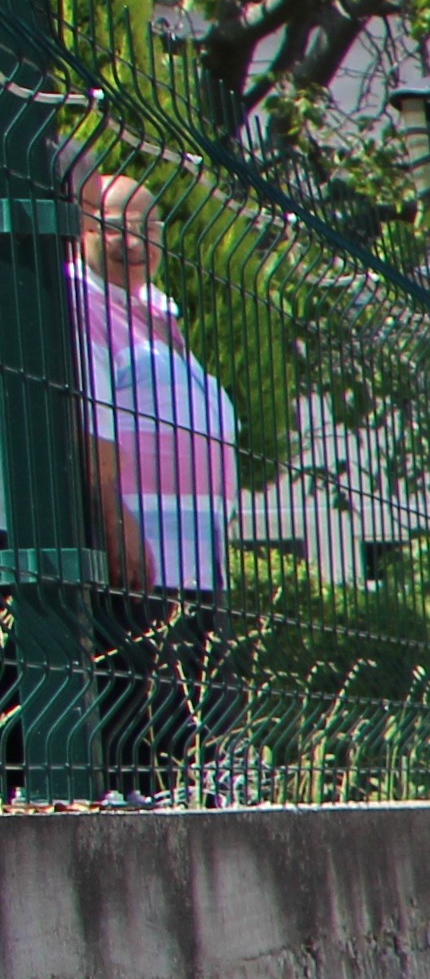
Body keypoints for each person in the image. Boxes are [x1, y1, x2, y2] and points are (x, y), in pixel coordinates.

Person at [67, 170, 234, 800]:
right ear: (83, 230)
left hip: (191, 558)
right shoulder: (81, 304)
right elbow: (93, 418)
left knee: (183, 725)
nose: (131, 240)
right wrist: (117, 522)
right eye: (114, 225)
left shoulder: (159, 313)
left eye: (146, 226)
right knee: (136, 728)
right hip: (138, 552)